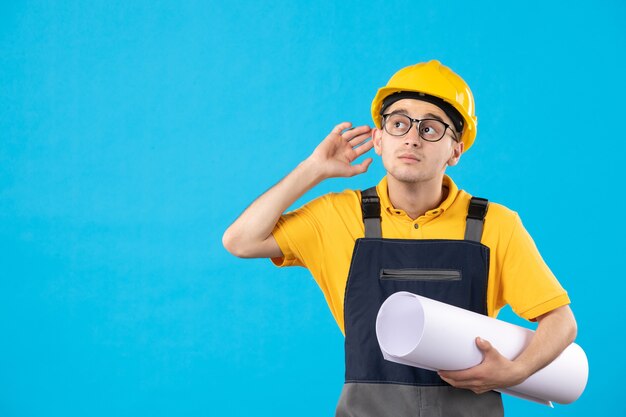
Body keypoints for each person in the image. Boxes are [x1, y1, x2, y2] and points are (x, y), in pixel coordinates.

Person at [222, 60, 577, 417]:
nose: (411, 137)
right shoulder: (338, 216)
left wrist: (516, 371)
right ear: (379, 139)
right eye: (399, 123)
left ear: (455, 150)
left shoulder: (494, 225)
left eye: (431, 128)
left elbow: (561, 320)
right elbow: (241, 241)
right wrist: (314, 169)